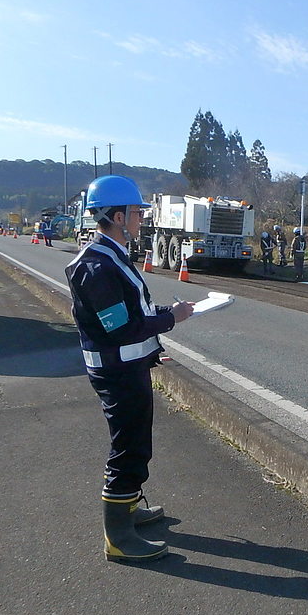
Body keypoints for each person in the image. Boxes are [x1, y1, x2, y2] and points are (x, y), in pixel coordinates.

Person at [65, 174, 194, 563]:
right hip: (116, 372)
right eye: (137, 212)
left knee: (138, 442)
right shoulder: (95, 267)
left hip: (128, 366)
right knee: (128, 448)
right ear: (118, 216)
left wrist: (164, 316)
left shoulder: (114, 256)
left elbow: (133, 313)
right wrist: (171, 319)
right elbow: (120, 327)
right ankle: (118, 537)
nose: (141, 218)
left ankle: (130, 507)